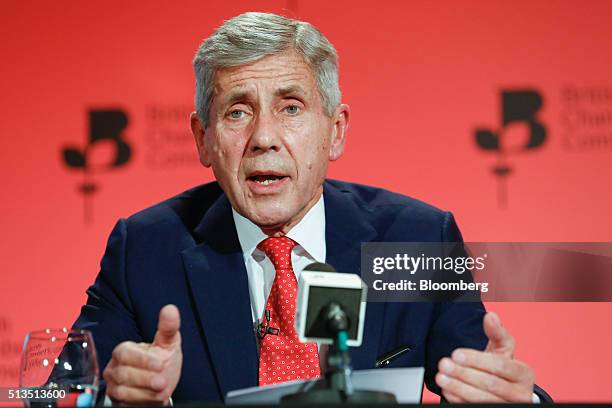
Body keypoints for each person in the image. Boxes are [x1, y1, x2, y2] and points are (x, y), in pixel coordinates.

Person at [74, 12, 545, 405]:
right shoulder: (146, 248)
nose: (263, 138)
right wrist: (114, 398)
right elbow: (60, 391)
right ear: (203, 139)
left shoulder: (418, 239)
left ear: (335, 130)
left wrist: (517, 399)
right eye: (237, 111)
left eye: (291, 108)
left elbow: (485, 382)